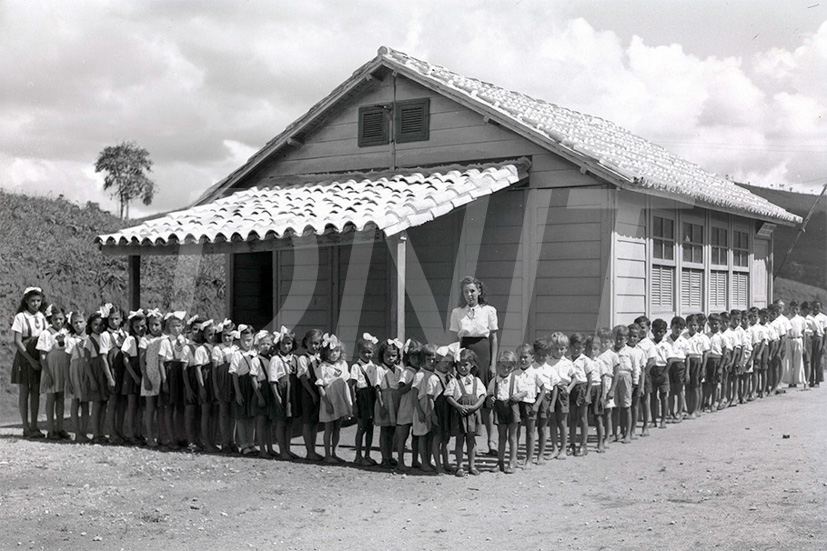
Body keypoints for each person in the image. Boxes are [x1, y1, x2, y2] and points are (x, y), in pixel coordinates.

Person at [449, 276, 499, 455]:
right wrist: (455, 360)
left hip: (484, 354)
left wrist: (493, 363)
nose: (469, 295)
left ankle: (492, 441)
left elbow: (493, 337)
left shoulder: (488, 311)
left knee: (486, 401)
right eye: (465, 291)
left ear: (479, 291)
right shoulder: (457, 312)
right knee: (468, 397)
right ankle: (472, 443)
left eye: (472, 291)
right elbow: (455, 339)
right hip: (465, 354)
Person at [11, 287, 48, 438]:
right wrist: (31, 359)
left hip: (39, 354)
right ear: (26, 301)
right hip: (25, 356)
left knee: (36, 392)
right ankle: (25, 427)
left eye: (38, 301)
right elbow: (17, 341)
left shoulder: (43, 317)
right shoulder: (20, 317)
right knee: (24, 392)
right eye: (32, 301)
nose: (35, 304)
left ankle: (34, 426)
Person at [445, 348, 485, 477]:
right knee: (459, 440)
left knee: (471, 440)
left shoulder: (476, 381)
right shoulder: (454, 381)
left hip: (472, 414)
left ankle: (472, 465)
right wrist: (458, 406)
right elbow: (449, 396)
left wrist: (475, 407)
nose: (463, 368)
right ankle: (460, 466)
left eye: (466, 365)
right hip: (459, 414)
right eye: (460, 365)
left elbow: (482, 396)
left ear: (472, 365)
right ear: (456, 365)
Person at [315, 333, 351, 464]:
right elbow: (320, 387)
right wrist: (327, 403)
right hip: (329, 399)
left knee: (337, 427)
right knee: (328, 428)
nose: (334, 354)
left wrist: (348, 403)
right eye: (331, 351)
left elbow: (346, 382)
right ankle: (327, 454)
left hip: (340, 398)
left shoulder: (343, 364)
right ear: (325, 353)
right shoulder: (322, 367)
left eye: (337, 351)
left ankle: (335, 452)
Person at [37, 304, 71, 440]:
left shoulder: (67, 333)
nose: (58, 322)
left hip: (63, 367)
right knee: (51, 398)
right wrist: (48, 373)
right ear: (51, 319)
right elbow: (43, 355)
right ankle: (51, 430)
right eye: (55, 319)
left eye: (61, 319)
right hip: (51, 368)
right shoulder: (46, 333)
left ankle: (60, 427)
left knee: (61, 398)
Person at [488, 350, 523, 474]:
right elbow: (489, 394)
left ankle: (512, 461)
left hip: (512, 408)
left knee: (512, 437)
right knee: (502, 436)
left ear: (513, 367)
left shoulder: (516, 378)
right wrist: (491, 398)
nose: (506, 369)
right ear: (498, 365)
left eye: (509, 367)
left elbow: (525, 391)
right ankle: (500, 461)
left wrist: (519, 395)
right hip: (500, 408)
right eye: (503, 366)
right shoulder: (494, 381)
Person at [159, 311, 190, 449]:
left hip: (182, 372)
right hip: (170, 372)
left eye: (178, 326)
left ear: (183, 326)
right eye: (173, 326)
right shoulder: (165, 342)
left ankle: (181, 436)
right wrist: (165, 381)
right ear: (168, 327)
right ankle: (170, 438)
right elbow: (160, 362)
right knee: (169, 406)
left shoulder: (186, 341)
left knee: (181, 407)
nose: (176, 329)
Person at [269, 326, 300, 460]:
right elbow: (272, 380)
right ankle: (282, 450)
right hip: (282, 392)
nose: (286, 346)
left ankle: (288, 448)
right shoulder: (275, 359)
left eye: (289, 343)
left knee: (290, 421)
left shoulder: (295, 358)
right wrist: (277, 396)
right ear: (278, 344)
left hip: (292, 392)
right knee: (281, 421)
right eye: (283, 343)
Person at [86, 309, 115, 444]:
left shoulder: (104, 337)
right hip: (95, 372)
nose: (98, 327)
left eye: (101, 324)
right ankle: (95, 433)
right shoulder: (89, 340)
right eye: (95, 324)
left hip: (104, 370)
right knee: (97, 403)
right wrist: (92, 379)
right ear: (90, 325)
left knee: (104, 403)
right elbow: (87, 362)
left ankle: (102, 432)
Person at [349, 333, 378, 466]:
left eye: (369, 352)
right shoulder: (356, 367)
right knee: (361, 427)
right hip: (362, 396)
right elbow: (352, 385)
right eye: (364, 352)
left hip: (371, 395)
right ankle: (358, 456)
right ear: (359, 352)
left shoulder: (374, 366)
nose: (367, 355)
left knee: (370, 427)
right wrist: (354, 403)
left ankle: (367, 454)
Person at [120, 309, 147, 444]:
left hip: (143, 372)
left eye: (142, 326)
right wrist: (135, 376)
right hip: (133, 373)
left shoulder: (146, 339)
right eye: (137, 327)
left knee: (140, 406)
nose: (140, 329)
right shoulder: (130, 339)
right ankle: (131, 434)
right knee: (132, 405)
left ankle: (138, 432)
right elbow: (125, 359)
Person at [375, 338, 402, 468]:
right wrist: (381, 405)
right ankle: (384, 458)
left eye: (393, 355)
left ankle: (390, 456)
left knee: (392, 431)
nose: (390, 358)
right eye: (387, 356)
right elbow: (378, 389)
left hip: (396, 400)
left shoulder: (399, 370)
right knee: (384, 431)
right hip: (385, 401)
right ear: (382, 356)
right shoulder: (380, 370)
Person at [230, 324, 257, 455]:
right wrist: (238, 393)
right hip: (242, 385)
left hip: (253, 386)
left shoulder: (255, 353)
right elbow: (234, 374)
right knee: (241, 417)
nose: (247, 343)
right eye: (244, 340)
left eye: (249, 340)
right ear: (239, 339)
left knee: (251, 416)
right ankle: (243, 445)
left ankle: (251, 443)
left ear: (253, 338)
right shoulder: (237, 355)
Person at [428, 344, 455, 474]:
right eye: (444, 362)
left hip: (448, 411)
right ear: (437, 362)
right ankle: (437, 464)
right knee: (437, 437)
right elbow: (430, 398)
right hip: (438, 411)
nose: (447, 366)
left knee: (447, 438)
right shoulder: (433, 378)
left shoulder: (450, 377)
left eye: (449, 363)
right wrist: (433, 414)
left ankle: (446, 462)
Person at [102, 304, 127, 445]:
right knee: (112, 402)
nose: (114, 322)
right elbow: (103, 358)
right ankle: (111, 432)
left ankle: (120, 430)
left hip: (123, 370)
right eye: (111, 319)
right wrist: (109, 378)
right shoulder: (105, 335)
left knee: (122, 403)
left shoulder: (125, 334)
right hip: (112, 371)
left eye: (117, 319)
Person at [140, 309, 165, 448]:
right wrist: (146, 378)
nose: (153, 327)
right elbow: (141, 361)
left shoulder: (165, 339)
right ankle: (150, 437)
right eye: (151, 325)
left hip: (162, 375)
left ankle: (162, 436)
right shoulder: (145, 340)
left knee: (161, 408)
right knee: (150, 408)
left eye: (157, 324)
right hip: (150, 375)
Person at [548, 332, 576, 457]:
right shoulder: (548, 361)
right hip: (549, 391)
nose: (559, 351)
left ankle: (563, 449)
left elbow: (575, 378)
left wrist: (569, 388)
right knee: (552, 421)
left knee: (562, 422)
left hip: (562, 392)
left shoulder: (567, 362)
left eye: (562, 348)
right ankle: (554, 448)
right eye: (556, 348)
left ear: (566, 349)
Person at [514, 343, 542, 467]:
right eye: (520, 357)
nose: (523, 360)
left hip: (530, 404)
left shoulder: (535, 374)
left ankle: (529, 459)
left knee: (530, 432)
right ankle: (513, 458)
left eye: (525, 357)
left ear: (532, 358)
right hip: (517, 405)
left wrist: (536, 405)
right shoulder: (514, 374)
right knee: (516, 431)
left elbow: (544, 389)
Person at [211, 319, 237, 453]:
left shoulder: (236, 349)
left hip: (234, 382)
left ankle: (232, 441)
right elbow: (214, 370)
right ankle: (224, 441)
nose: (227, 338)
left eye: (229, 335)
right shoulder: (217, 349)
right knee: (223, 413)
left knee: (233, 413)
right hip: (222, 381)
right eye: (224, 335)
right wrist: (216, 387)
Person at [297, 329, 323, 461]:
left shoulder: (320, 358)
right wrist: (312, 393)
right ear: (306, 342)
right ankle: (309, 450)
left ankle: (313, 449)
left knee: (315, 422)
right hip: (308, 392)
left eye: (317, 343)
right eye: (312, 343)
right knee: (307, 422)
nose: (314, 346)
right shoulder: (303, 359)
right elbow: (302, 378)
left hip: (319, 391)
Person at [395, 339, 421, 472]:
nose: (416, 359)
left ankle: (415, 460)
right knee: (403, 435)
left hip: (417, 407)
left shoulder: (421, 371)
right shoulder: (407, 372)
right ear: (407, 358)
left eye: (418, 356)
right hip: (406, 406)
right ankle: (400, 460)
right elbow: (400, 390)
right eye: (412, 357)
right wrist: (412, 384)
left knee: (416, 434)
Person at [65, 312, 90, 442]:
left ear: (85, 322)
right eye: (75, 322)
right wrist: (68, 379)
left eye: (80, 322)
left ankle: (84, 432)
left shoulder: (89, 339)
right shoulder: (70, 340)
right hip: (75, 370)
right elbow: (67, 360)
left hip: (87, 369)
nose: (78, 325)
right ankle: (77, 432)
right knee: (75, 401)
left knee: (85, 402)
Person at [568, 332, 594, 456]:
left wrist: (588, 393)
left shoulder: (586, 360)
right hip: (570, 389)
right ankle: (571, 443)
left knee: (583, 418)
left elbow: (590, 379)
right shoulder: (567, 360)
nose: (577, 350)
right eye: (574, 347)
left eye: (580, 347)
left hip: (582, 388)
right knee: (572, 418)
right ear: (570, 346)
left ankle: (583, 444)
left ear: (584, 348)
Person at [251, 329, 275, 458]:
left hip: (270, 390)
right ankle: (262, 449)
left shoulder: (272, 358)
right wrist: (259, 396)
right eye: (263, 344)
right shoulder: (256, 360)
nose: (266, 347)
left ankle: (270, 447)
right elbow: (253, 379)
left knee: (269, 422)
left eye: (268, 344)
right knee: (260, 422)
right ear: (258, 345)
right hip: (261, 390)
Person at [414, 344, 437, 472]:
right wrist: (419, 411)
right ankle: (423, 462)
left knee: (430, 435)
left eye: (434, 359)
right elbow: (414, 395)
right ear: (423, 361)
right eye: (429, 359)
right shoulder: (420, 375)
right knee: (422, 435)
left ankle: (428, 461)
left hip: (430, 407)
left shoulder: (434, 373)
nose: (432, 362)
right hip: (421, 407)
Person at [584, 335, 606, 451]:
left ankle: (600, 443)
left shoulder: (600, 362)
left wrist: (603, 396)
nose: (592, 351)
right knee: (585, 417)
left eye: (595, 349)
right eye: (589, 348)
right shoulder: (583, 360)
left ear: (599, 349)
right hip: (586, 388)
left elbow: (603, 381)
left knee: (598, 417)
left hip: (597, 389)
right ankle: (584, 443)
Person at [666, 317, 688, 421]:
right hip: (669, 365)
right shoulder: (666, 340)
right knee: (670, 390)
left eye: (680, 328)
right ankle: (671, 412)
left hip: (680, 366)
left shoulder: (684, 341)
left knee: (679, 390)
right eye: (676, 327)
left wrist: (687, 372)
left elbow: (687, 357)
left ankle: (679, 412)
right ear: (671, 327)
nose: (678, 330)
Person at [650, 319, 671, 429]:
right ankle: (653, 420)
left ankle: (663, 419)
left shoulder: (666, 345)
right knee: (653, 396)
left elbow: (670, 360)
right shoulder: (650, 343)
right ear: (652, 331)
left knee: (663, 396)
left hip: (663, 370)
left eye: (661, 331)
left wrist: (664, 374)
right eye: (656, 331)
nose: (659, 334)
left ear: (665, 332)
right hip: (652, 370)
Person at [703, 314, 724, 410]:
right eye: (711, 324)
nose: (714, 326)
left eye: (716, 324)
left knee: (715, 383)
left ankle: (714, 403)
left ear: (720, 324)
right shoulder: (706, 336)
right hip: (708, 361)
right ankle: (706, 401)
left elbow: (725, 352)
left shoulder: (722, 337)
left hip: (717, 360)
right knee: (707, 383)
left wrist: (721, 367)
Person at [784, 301, 807, 388]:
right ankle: (789, 381)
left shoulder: (801, 319)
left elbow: (804, 332)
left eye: (796, 308)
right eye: (793, 308)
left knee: (798, 360)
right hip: (789, 340)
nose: (794, 310)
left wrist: (804, 345)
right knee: (788, 360)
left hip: (798, 339)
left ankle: (798, 380)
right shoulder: (786, 319)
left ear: (799, 309)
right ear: (789, 308)